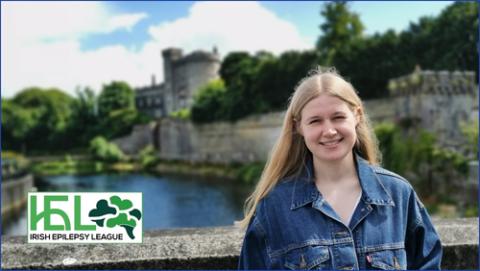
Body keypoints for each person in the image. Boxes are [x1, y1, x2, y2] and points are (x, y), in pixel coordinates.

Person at [238, 68, 442, 270]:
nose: (329, 131)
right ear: (298, 127)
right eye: (315, 121)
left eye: (338, 117)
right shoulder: (274, 205)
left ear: (357, 116)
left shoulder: (398, 194)